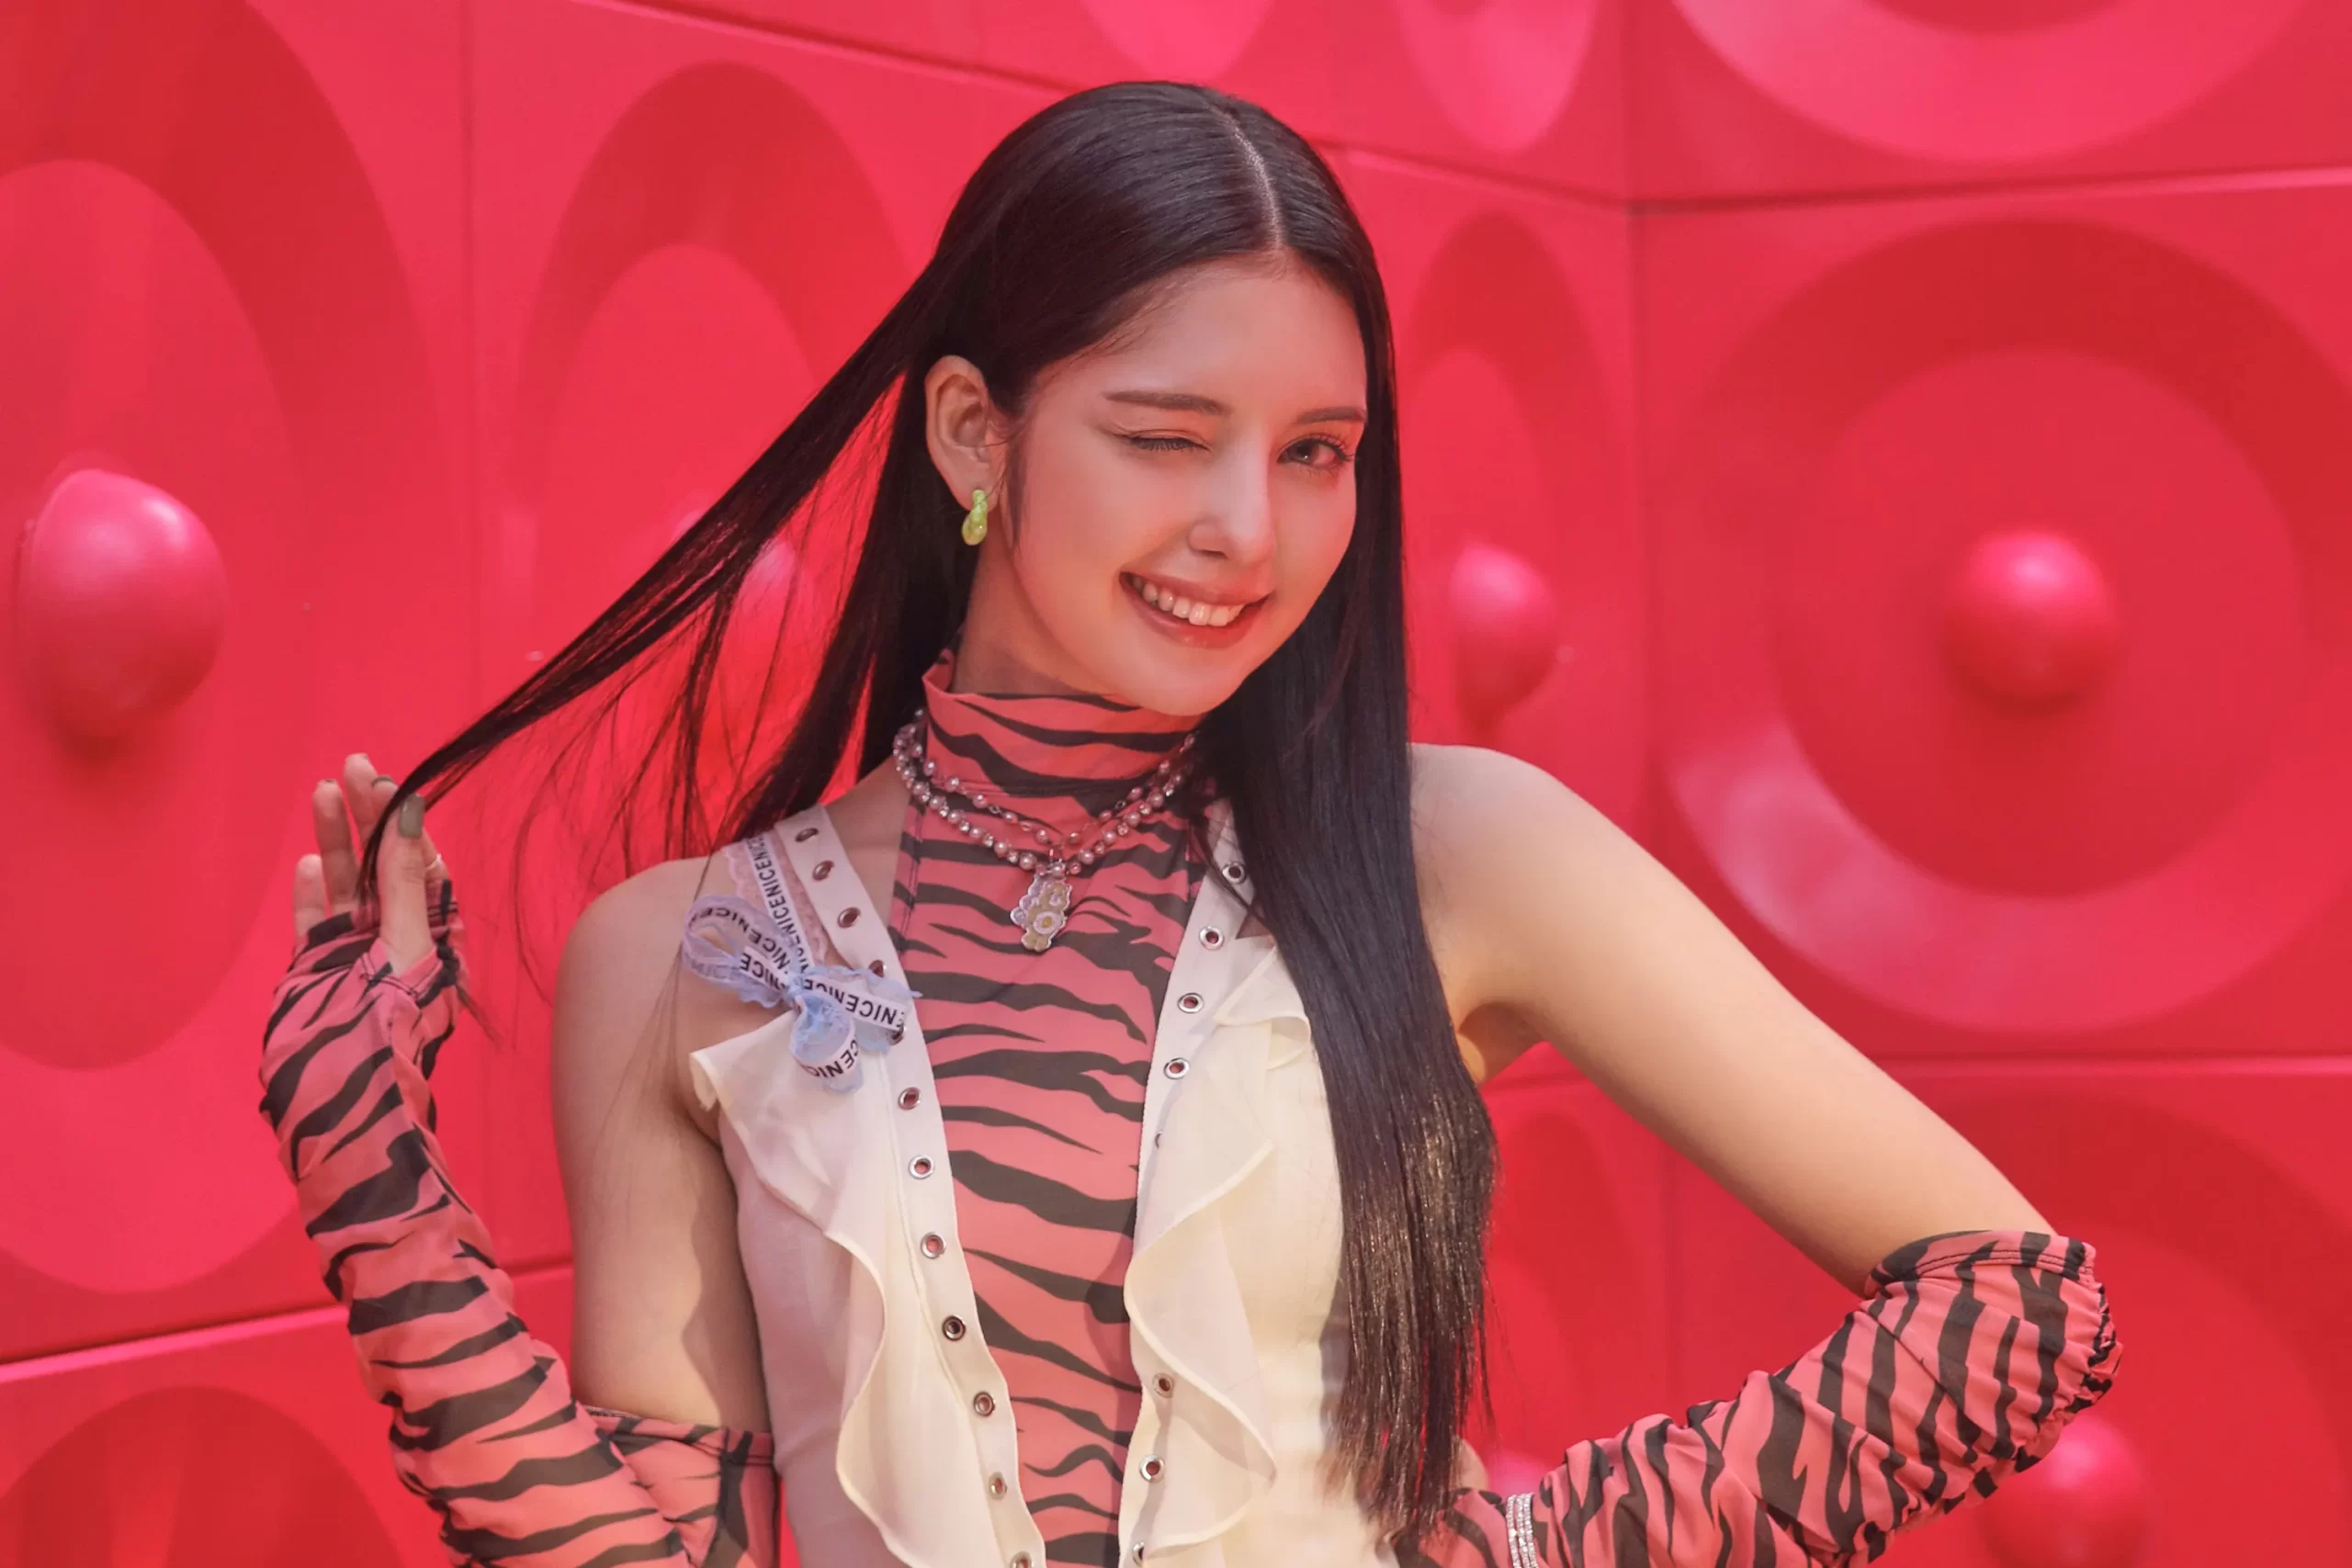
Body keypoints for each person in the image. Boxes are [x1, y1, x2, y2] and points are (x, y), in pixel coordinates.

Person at [259, 80, 2120, 1568]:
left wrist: (1554, 1544)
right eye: (1166, 437)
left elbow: (2015, 1302)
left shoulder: (1455, 852)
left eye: (1317, 449)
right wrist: (370, 1170)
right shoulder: (682, 948)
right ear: (974, 436)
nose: (1253, 525)